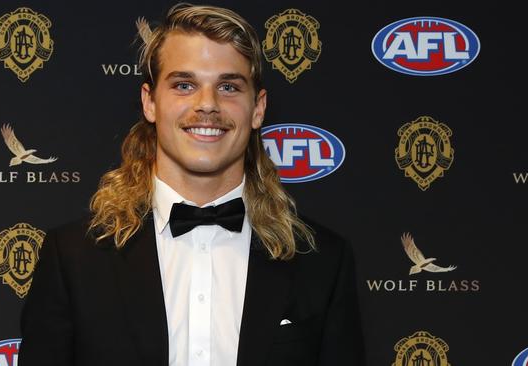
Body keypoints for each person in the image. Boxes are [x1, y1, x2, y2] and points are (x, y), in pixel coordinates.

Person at [19, 3, 365, 365]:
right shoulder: (73, 259)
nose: (207, 105)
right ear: (150, 102)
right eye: (184, 85)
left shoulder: (323, 261)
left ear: (258, 108)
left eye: (228, 86)